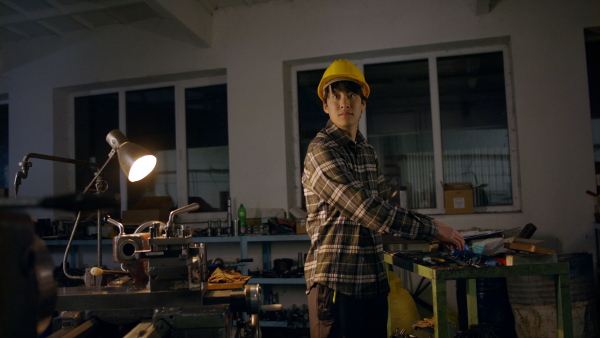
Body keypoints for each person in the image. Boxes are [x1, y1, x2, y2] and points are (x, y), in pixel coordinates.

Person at [302, 59, 465, 338]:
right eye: (336, 95)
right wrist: (433, 229)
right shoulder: (320, 151)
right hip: (337, 284)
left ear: (363, 104)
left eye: (352, 95)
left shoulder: (366, 151)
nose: (344, 102)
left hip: (373, 283)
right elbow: (366, 209)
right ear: (325, 105)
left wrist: (428, 236)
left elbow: (385, 210)